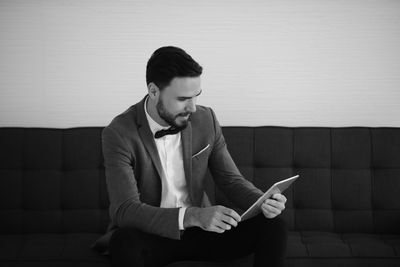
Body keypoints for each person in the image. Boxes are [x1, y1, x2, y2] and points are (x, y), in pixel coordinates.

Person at [93, 46, 288, 267]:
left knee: (274, 225)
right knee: (124, 241)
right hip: (151, 235)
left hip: (202, 233)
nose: (193, 108)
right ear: (154, 91)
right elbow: (125, 209)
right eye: (183, 98)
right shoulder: (119, 133)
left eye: (196, 96)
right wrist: (191, 216)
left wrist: (262, 201)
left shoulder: (206, 120)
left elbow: (230, 180)